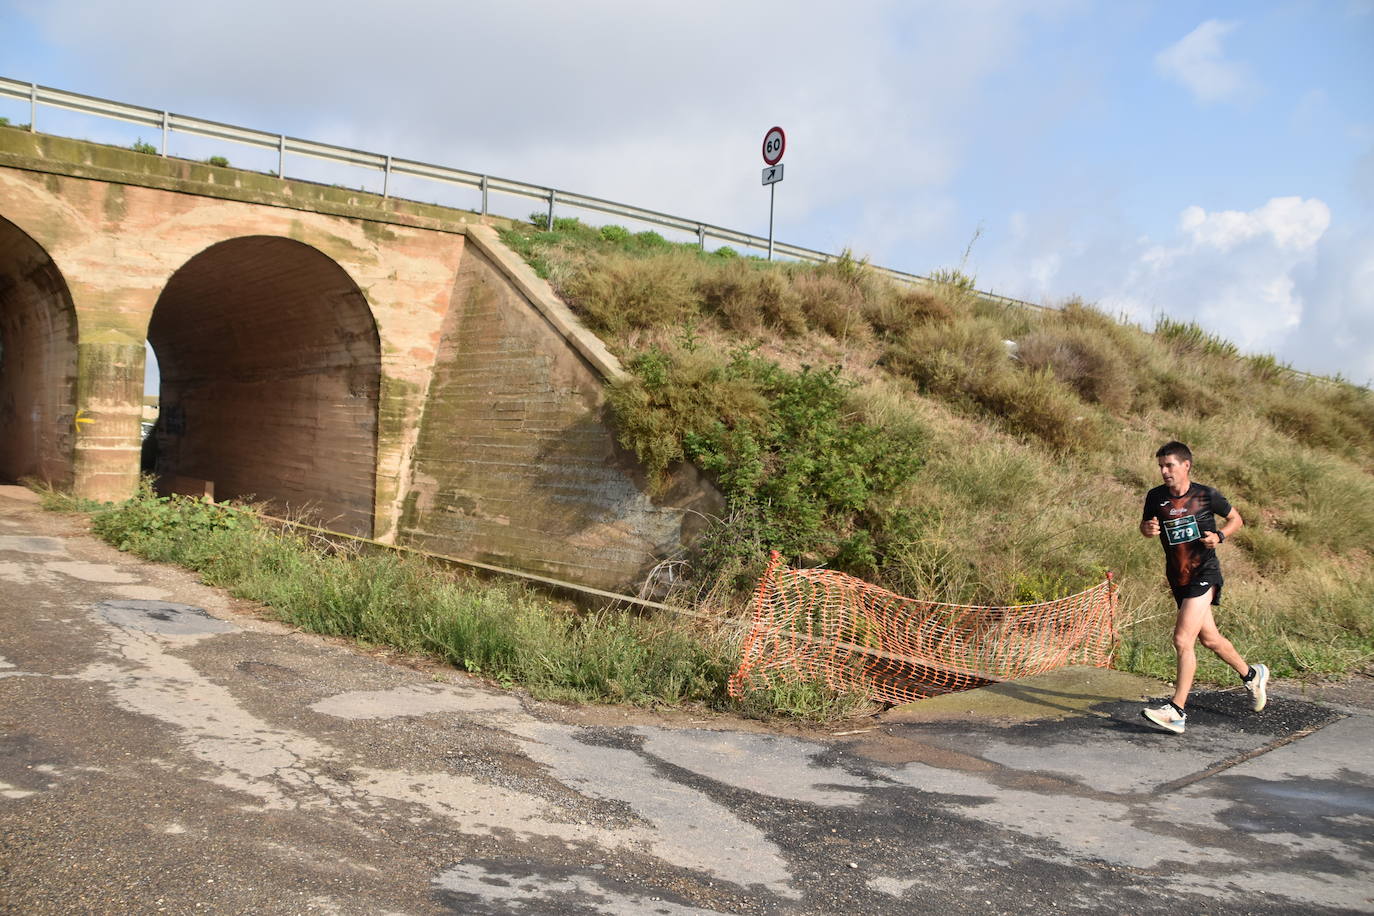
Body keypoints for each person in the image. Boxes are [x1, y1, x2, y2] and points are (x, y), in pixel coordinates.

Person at [1138, 441, 1267, 734]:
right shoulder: (1155, 497)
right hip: (1178, 577)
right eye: (1160, 466)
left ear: (1186, 466)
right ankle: (1252, 675)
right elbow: (1146, 527)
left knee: (1183, 639)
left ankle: (1177, 710)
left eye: (1169, 465)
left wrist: (1219, 536)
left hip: (1204, 573)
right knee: (1210, 639)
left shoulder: (1206, 495)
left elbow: (1236, 519)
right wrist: (1147, 529)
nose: (1164, 471)